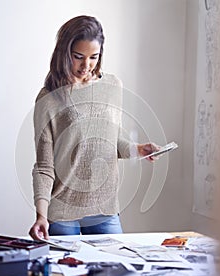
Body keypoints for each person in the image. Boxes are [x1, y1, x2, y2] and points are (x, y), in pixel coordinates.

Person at [29, 15, 160, 240]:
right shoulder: (48, 99)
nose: (86, 65)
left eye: (93, 57)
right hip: (62, 211)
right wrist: (41, 215)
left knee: (115, 271)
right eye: (78, 57)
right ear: (64, 54)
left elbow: (111, 139)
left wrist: (138, 149)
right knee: (66, 273)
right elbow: (44, 166)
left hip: (105, 209)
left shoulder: (112, 85)